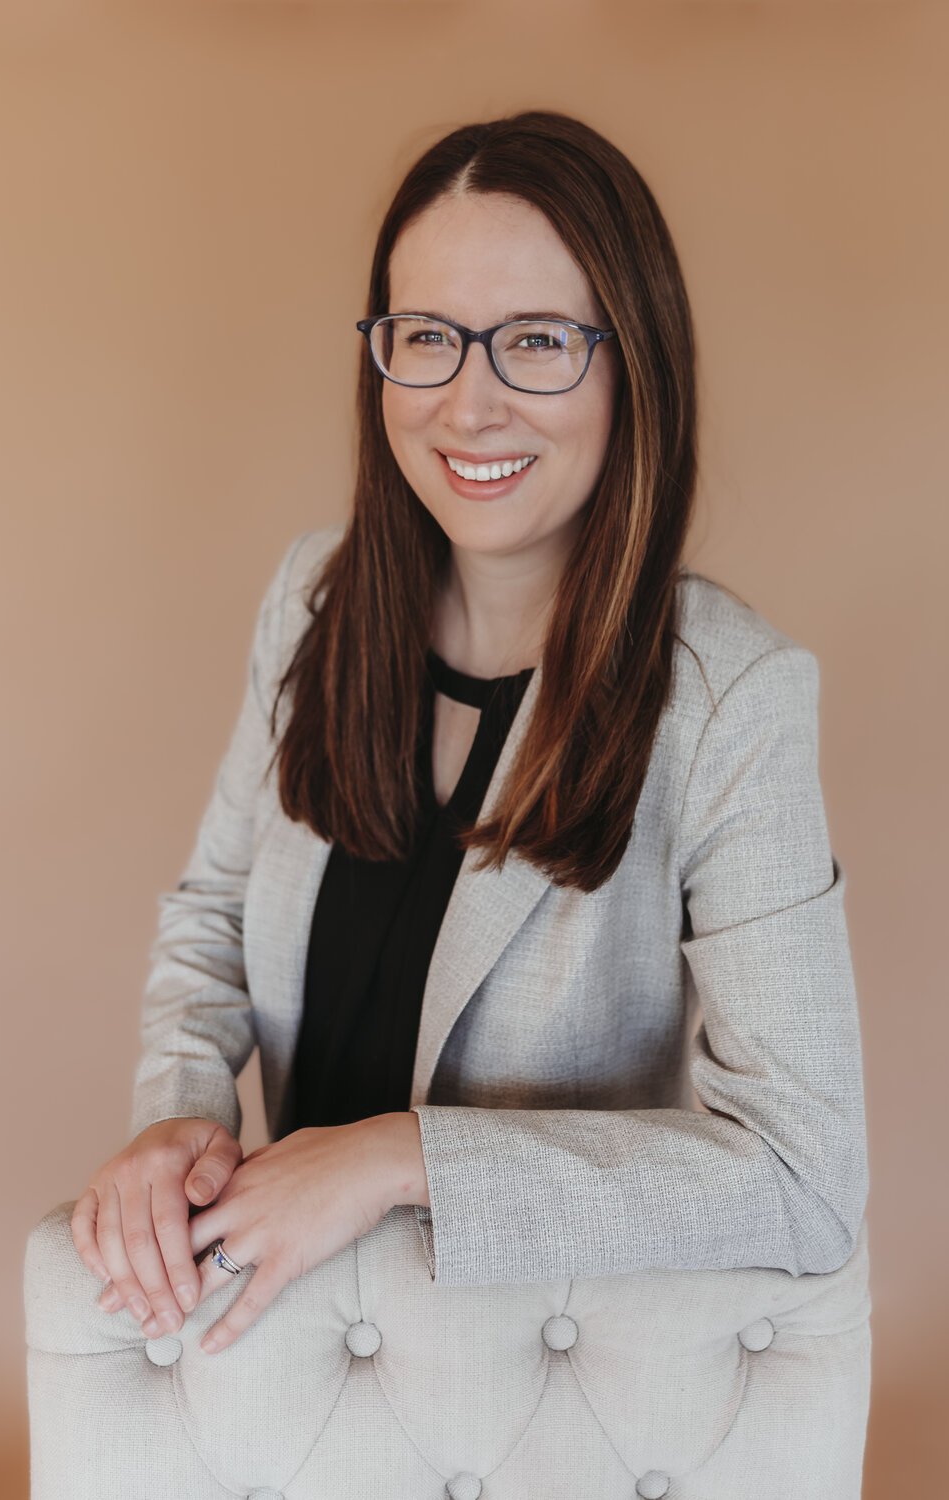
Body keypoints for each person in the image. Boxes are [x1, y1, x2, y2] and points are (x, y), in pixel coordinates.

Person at [68, 109, 869, 1364]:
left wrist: (399, 1158)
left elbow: (803, 1173)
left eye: (537, 342)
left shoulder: (732, 700)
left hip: (525, 1382)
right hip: (294, 1347)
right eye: (428, 338)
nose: (469, 403)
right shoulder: (312, 599)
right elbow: (213, 918)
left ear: (632, 366)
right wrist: (179, 1112)